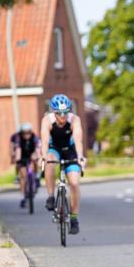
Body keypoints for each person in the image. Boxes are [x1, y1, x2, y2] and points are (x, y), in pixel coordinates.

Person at [39, 94, 86, 235]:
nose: (63, 116)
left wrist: (80, 157)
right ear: (54, 112)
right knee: (49, 160)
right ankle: (51, 196)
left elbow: (78, 141)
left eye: (66, 112)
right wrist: (43, 156)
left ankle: (74, 218)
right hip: (54, 149)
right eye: (60, 113)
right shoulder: (47, 120)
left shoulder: (74, 120)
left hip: (70, 150)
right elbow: (45, 141)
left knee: (74, 183)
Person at [13, 123, 40, 208]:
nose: (26, 135)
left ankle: (36, 176)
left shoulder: (34, 137)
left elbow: (37, 149)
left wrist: (37, 156)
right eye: (24, 133)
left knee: (36, 160)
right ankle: (24, 195)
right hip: (22, 156)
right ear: (21, 133)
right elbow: (18, 149)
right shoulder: (18, 138)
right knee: (24, 176)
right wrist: (17, 159)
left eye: (28, 132)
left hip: (31, 154)